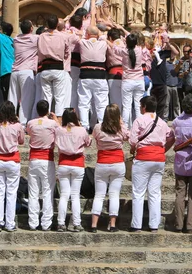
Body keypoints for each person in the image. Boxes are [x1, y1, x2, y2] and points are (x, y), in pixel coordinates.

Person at [129, 96, 174, 233]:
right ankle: (154, 224)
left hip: (143, 157)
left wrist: (133, 148)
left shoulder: (139, 120)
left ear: (143, 107)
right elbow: (171, 137)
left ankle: (136, 224)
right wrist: (163, 150)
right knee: (154, 193)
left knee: (138, 192)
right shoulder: (162, 122)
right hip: (158, 158)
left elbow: (132, 140)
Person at [90, 104, 128, 232]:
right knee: (114, 194)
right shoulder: (121, 128)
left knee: (99, 194)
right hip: (117, 162)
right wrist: (121, 123)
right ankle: (112, 224)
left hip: (102, 162)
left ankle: (94, 224)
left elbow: (94, 138)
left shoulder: (98, 127)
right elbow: (128, 137)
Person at [171, 95, 192, 233]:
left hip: (180, 161)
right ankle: (191, 225)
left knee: (180, 194)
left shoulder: (176, 122)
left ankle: (178, 224)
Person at [0, 100, 25, 231]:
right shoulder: (17, 126)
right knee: (11, 193)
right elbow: (21, 141)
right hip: (12, 160)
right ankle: (10, 223)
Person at [55, 107, 91, 232]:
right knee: (75, 195)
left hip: (63, 163)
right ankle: (76, 223)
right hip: (77, 163)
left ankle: (60, 223)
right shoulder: (81, 130)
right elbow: (88, 143)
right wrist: (80, 126)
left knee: (64, 194)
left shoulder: (59, 130)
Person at [26, 100, 58, 231]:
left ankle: (33, 222)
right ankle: (46, 223)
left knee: (33, 193)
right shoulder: (52, 123)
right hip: (46, 159)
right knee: (47, 192)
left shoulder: (31, 123)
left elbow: (28, 131)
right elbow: (61, 131)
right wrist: (56, 119)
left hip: (34, 159)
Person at [38, 15, 75, 118]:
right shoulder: (63, 36)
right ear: (57, 25)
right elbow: (67, 52)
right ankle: (58, 118)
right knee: (59, 96)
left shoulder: (41, 36)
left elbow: (39, 51)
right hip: (58, 67)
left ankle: (45, 117)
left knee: (46, 96)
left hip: (45, 67)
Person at [108, 33, 146, 127]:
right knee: (138, 106)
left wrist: (111, 40)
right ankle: (139, 126)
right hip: (139, 80)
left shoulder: (124, 51)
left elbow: (114, 47)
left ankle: (125, 127)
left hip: (128, 81)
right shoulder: (139, 50)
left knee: (127, 106)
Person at [78, 25, 109, 132]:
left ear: (87, 34)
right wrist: (99, 34)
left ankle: (85, 126)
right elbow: (103, 37)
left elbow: (80, 36)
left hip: (85, 76)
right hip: (100, 76)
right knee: (101, 103)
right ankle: (102, 125)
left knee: (84, 102)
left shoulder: (82, 42)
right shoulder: (103, 43)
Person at [9, 20, 38, 125]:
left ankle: (9, 120)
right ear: (31, 29)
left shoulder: (16, 39)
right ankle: (22, 123)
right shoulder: (35, 39)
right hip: (26, 71)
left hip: (15, 71)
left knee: (12, 98)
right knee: (26, 99)